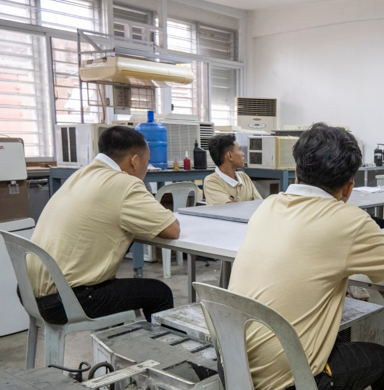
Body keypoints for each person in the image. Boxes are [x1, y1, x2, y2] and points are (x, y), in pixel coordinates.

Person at [228, 122, 384, 390]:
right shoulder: (349, 220)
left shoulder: (269, 205)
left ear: (295, 170)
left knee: (335, 335)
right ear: (349, 188)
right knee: (380, 360)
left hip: (233, 372)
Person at [26, 126, 180, 324]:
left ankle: (115, 346)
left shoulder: (81, 175)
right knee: (160, 293)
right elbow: (172, 230)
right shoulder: (125, 184)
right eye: (147, 161)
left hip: (29, 291)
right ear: (134, 161)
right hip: (63, 300)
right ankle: (162, 354)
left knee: (112, 286)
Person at [203, 134, 262, 205]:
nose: (243, 154)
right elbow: (230, 210)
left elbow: (259, 205)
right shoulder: (211, 181)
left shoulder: (244, 177)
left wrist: (234, 203)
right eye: (240, 150)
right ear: (230, 156)